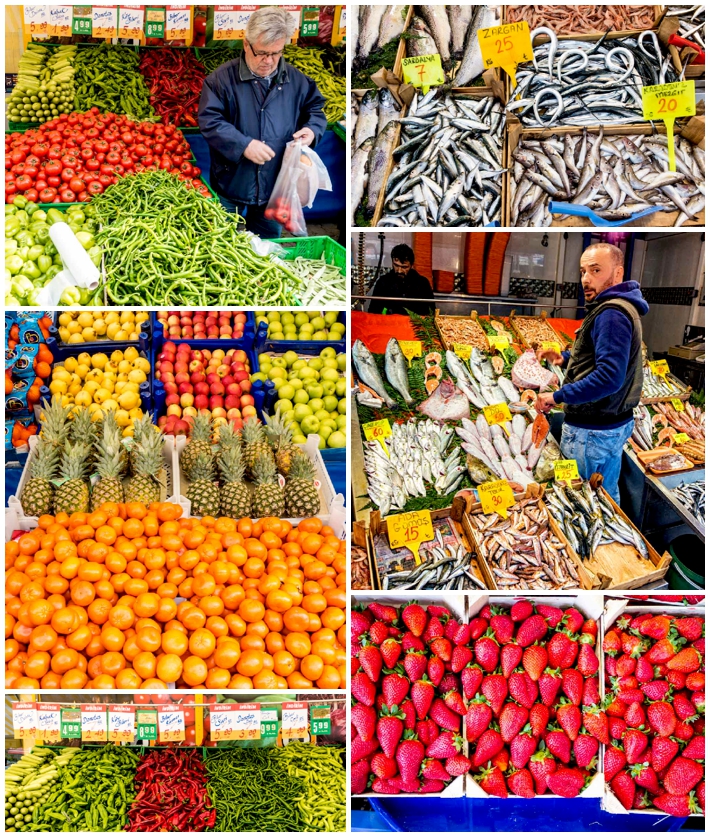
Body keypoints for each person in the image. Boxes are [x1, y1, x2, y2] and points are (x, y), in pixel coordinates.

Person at [535, 242, 649, 503]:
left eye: (596, 271)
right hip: (610, 425)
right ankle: (611, 542)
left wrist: (558, 396)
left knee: (581, 501)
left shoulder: (612, 313)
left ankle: (590, 545)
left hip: (592, 431)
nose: (586, 279)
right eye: (583, 271)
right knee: (605, 497)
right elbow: (600, 357)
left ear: (618, 274)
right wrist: (564, 359)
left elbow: (609, 377)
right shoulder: (618, 307)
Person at [198, 7, 327, 237]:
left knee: (267, 254)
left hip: (274, 189)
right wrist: (243, 144)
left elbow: (315, 110)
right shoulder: (220, 80)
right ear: (246, 44)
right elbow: (210, 119)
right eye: (262, 53)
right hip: (231, 183)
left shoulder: (298, 81)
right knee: (221, 250)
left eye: (276, 53)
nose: (269, 61)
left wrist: (312, 130)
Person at [368, 244, 435, 316]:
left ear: (412, 265)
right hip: (388, 324)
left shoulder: (422, 284)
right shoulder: (383, 282)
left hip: (414, 325)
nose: (399, 271)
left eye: (404, 267)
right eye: (396, 265)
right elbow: (373, 312)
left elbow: (431, 313)